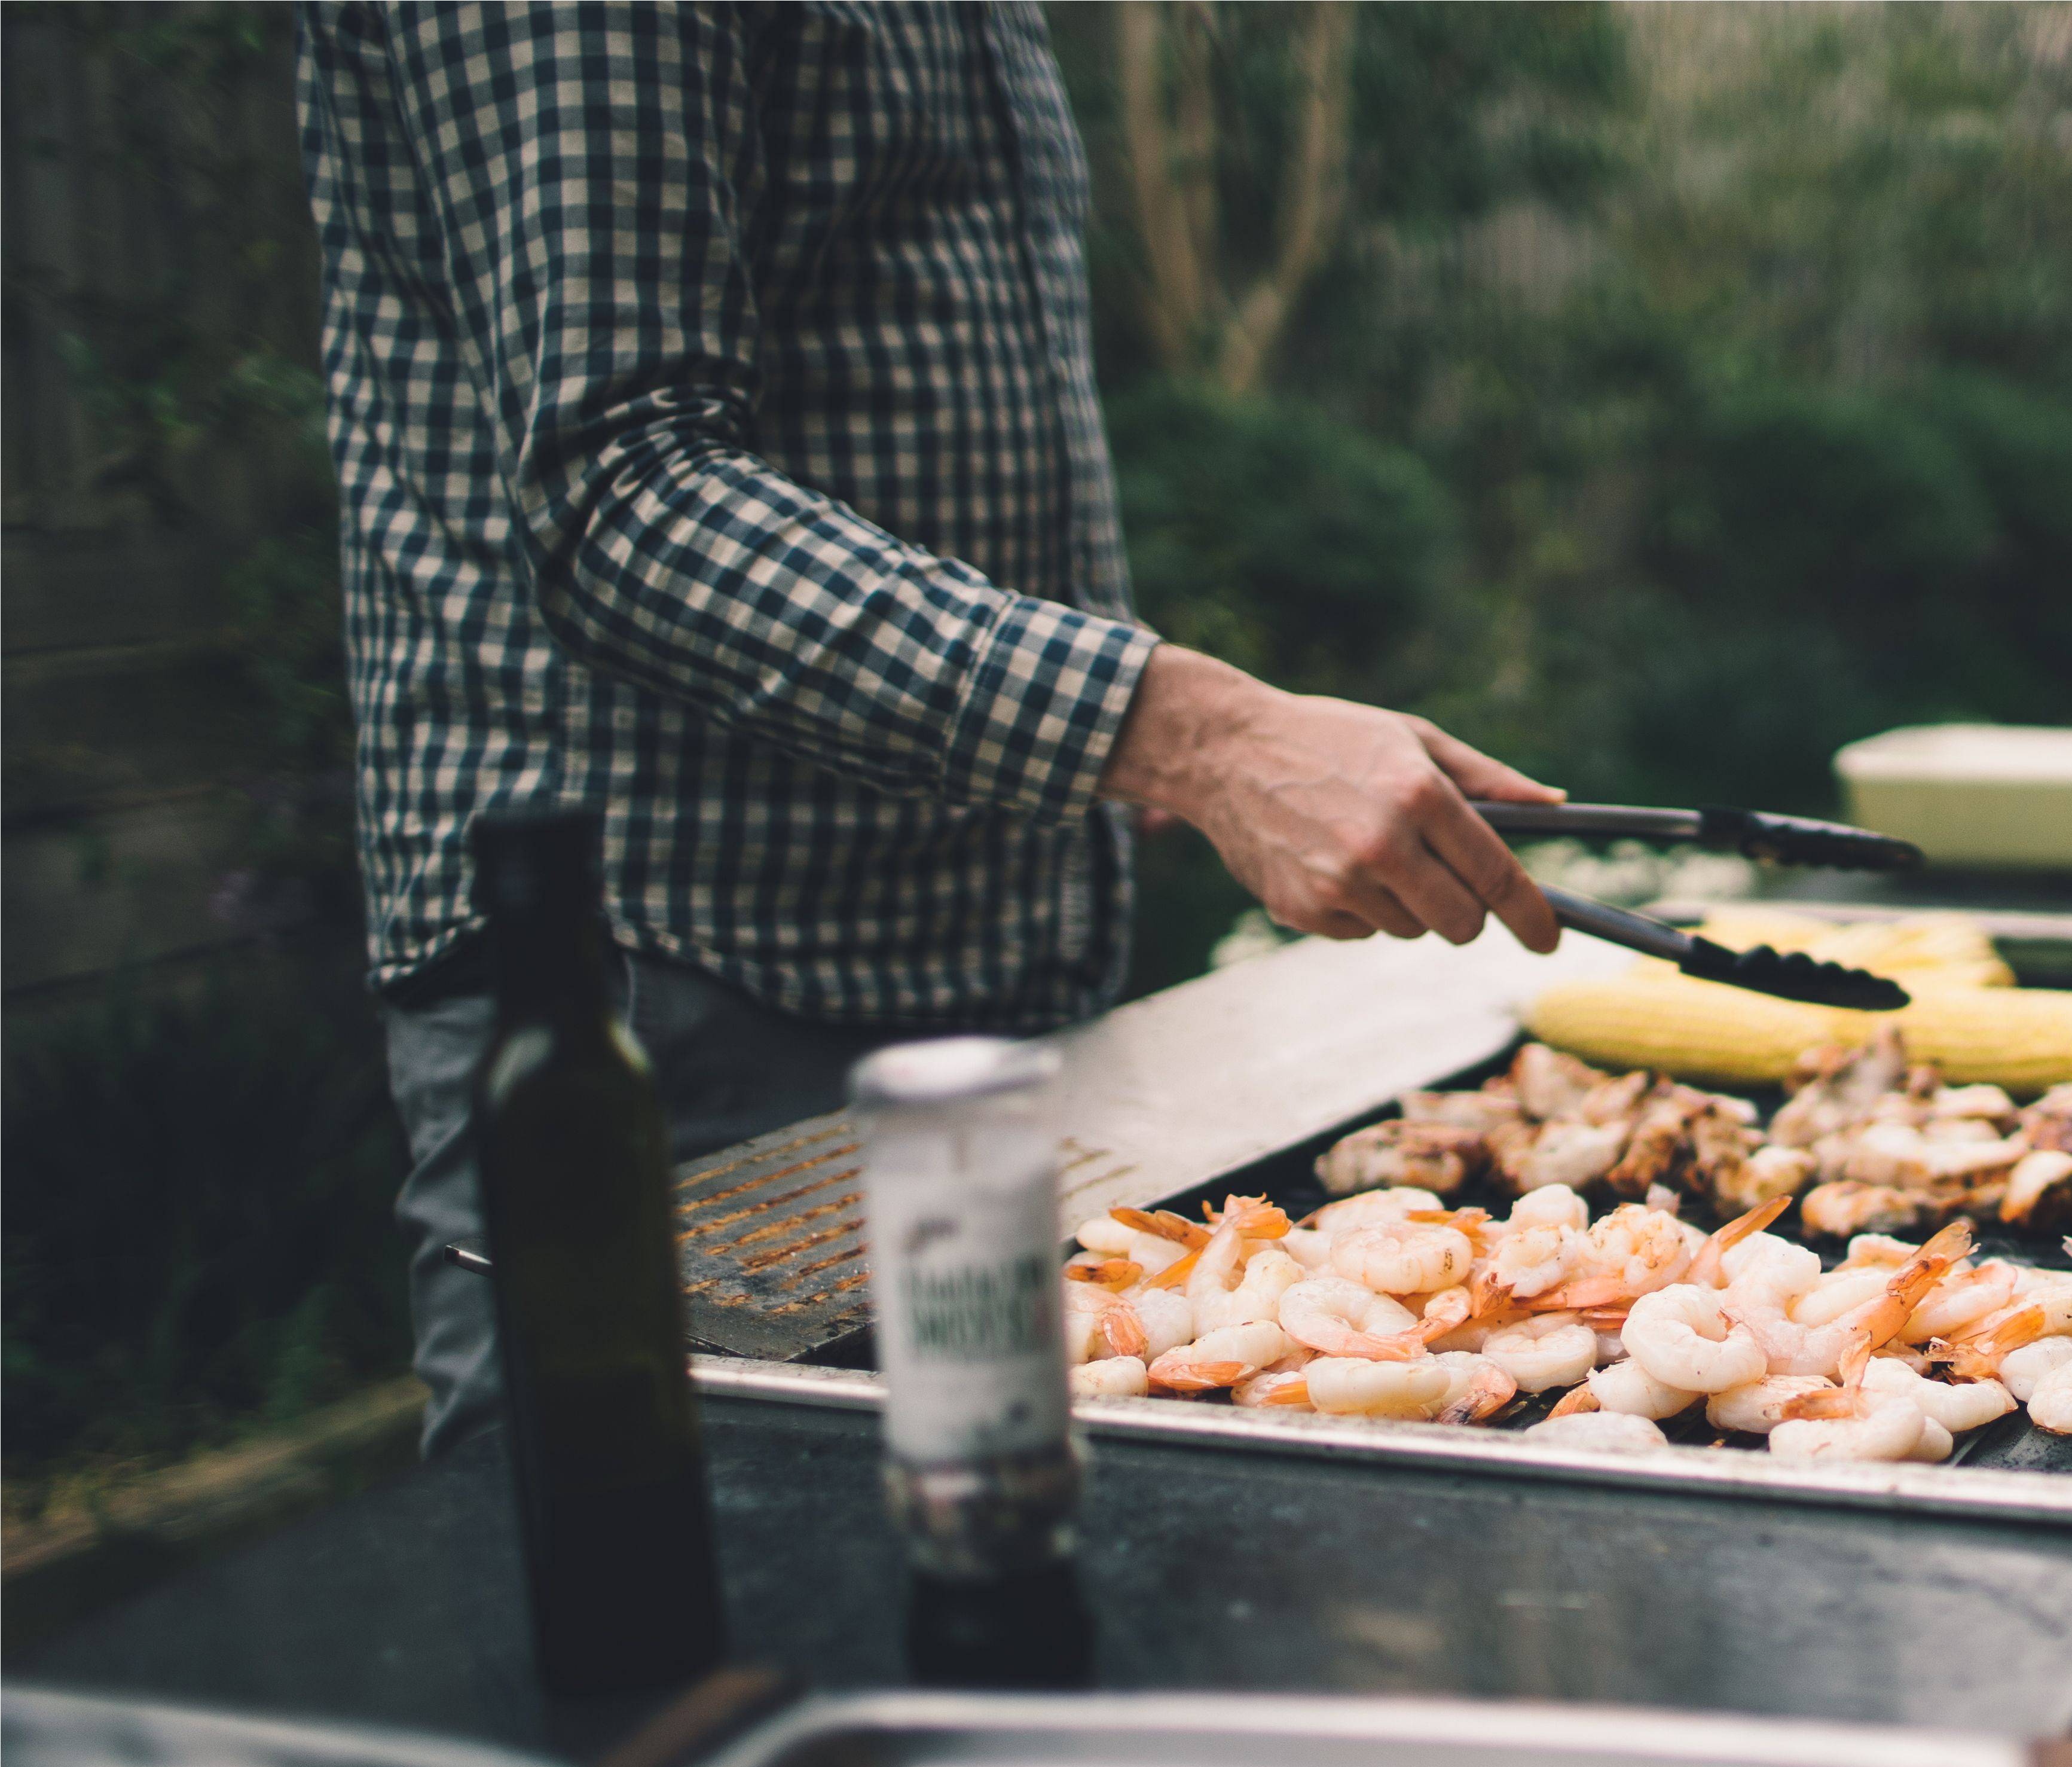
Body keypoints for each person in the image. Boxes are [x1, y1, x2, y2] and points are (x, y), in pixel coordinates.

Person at [294, 4, 1558, 1453]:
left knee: (1005, 1590)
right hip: (665, 984)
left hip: (978, 961)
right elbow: (616, 490)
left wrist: (1117, 737)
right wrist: (1191, 733)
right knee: (647, 1622)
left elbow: (893, 371)